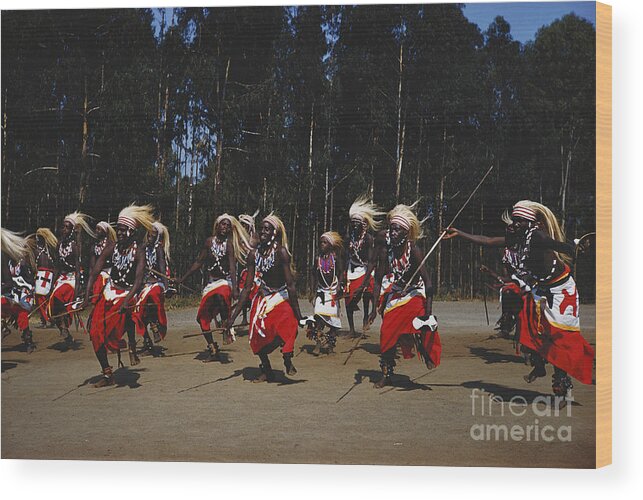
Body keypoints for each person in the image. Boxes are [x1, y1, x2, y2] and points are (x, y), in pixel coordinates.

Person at [445, 200, 594, 402]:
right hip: (540, 291)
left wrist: (575, 248)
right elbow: (487, 241)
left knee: (561, 337)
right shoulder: (515, 240)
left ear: (530, 223)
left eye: (519, 221)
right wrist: (460, 233)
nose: (514, 224)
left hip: (561, 291)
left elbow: (559, 246)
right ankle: (541, 365)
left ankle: (562, 377)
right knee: (532, 330)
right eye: (514, 220)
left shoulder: (538, 236)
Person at [369, 204, 441, 389]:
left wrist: (428, 313)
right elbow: (377, 280)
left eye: (397, 229)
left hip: (415, 292)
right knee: (386, 331)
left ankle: (425, 350)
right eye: (391, 228)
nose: (392, 232)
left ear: (406, 233)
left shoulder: (414, 251)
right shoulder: (387, 252)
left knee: (418, 320)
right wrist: (373, 309)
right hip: (397, 293)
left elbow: (428, 282)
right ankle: (387, 374)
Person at [83, 204, 155, 387]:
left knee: (113, 332)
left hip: (127, 293)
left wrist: (127, 299)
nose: (120, 233)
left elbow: (138, 281)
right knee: (94, 332)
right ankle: (108, 374)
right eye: (118, 230)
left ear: (131, 231)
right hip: (109, 292)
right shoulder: (112, 247)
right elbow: (94, 271)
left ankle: (131, 343)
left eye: (124, 230)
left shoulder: (139, 251)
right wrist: (87, 295)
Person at [225, 214, 302, 382]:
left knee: (289, 322)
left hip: (281, 295)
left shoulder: (281, 252)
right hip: (264, 296)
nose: (263, 232)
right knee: (255, 334)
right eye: (261, 229)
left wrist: (299, 314)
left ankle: (287, 358)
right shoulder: (254, 254)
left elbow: (290, 286)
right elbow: (247, 288)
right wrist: (232, 317)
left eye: (267, 229)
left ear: (274, 232)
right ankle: (267, 370)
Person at [179, 214, 249, 361]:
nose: (226, 227)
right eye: (223, 224)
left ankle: (225, 322)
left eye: (228, 225)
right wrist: (182, 278)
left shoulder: (229, 244)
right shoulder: (209, 242)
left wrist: (235, 288)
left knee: (221, 294)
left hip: (225, 282)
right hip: (211, 283)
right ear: (217, 226)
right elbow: (199, 262)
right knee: (202, 319)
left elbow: (232, 267)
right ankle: (212, 348)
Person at [48, 212, 94, 347]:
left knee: (59, 296)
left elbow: (79, 269)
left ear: (72, 230)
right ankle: (65, 331)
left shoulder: (74, 246)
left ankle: (65, 322)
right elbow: (57, 266)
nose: (64, 230)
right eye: (63, 227)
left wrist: (78, 289)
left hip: (74, 277)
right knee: (51, 304)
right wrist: (52, 283)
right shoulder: (60, 244)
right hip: (62, 278)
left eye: (67, 227)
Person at [344, 196, 384, 337]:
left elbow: (371, 259)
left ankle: (366, 316)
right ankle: (351, 329)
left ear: (363, 224)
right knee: (348, 299)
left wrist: (368, 274)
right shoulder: (349, 238)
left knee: (368, 293)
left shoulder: (368, 239)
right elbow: (345, 255)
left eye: (357, 223)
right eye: (352, 223)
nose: (354, 225)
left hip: (365, 269)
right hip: (351, 269)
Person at [132, 221, 170, 353]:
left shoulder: (158, 249)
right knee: (137, 314)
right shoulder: (141, 248)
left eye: (153, 234)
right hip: (143, 285)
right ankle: (148, 339)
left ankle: (155, 324)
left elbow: (162, 266)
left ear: (157, 236)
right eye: (149, 233)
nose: (150, 236)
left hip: (156, 283)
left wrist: (166, 287)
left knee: (152, 295)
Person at [308, 231, 344, 355]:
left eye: (325, 242)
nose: (322, 244)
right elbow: (313, 274)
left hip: (333, 292)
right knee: (318, 317)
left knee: (334, 323)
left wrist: (339, 286)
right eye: (321, 242)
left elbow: (340, 273)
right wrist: (312, 291)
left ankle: (330, 346)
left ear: (331, 245)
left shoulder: (336, 258)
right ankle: (318, 344)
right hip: (321, 292)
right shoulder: (317, 259)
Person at [1, 228, 36, 352]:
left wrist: (27, 292)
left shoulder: (24, 264)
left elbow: (31, 281)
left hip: (24, 292)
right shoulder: (8, 262)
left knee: (21, 314)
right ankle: (4, 327)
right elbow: (8, 281)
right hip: (12, 292)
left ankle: (28, 340)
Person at [31, 228, 57, 328]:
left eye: (38, 236)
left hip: (44, 275)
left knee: (41, 298)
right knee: (43, 299)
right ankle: (46, 319)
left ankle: (47, 320)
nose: (37, 238)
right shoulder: (48, 250)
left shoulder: (47, 250)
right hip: (44, 275)